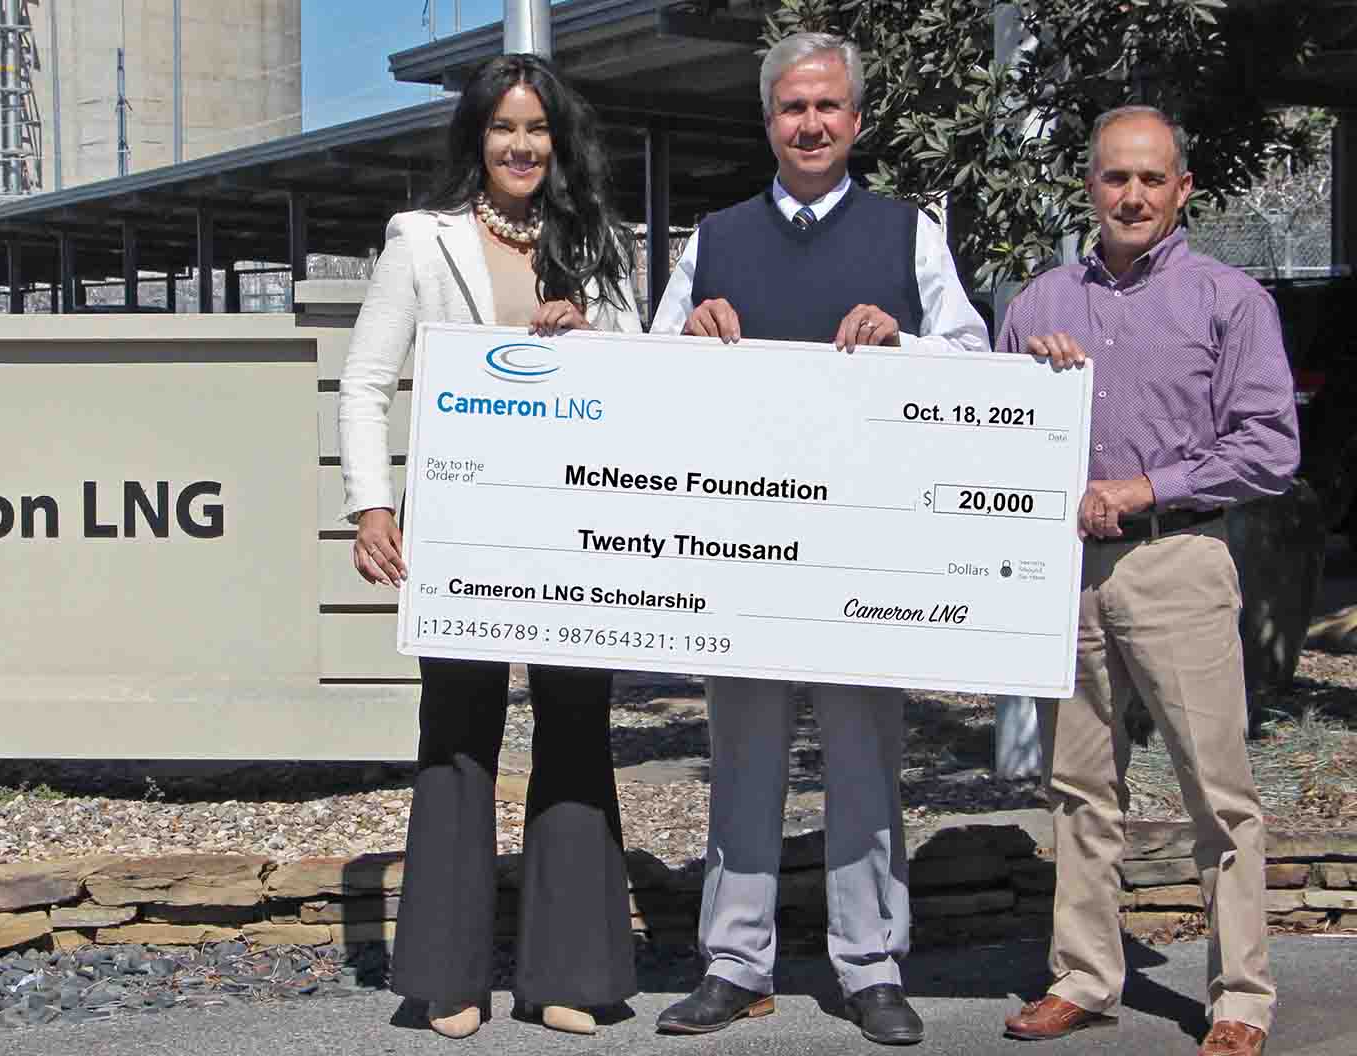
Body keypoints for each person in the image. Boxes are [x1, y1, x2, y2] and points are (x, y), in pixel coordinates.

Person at [647, 31, 989, 1047]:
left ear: (855, 119)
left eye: (828, 108)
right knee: (742, 761)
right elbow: (649, 385)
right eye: (793, 108)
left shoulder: (909, 235)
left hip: (862, 556)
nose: (810, 124)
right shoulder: (710, 241)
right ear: (768, 121)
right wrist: (687, 338)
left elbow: (975, 362)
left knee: (863, 763)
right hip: (742, 556)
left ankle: (871, 965)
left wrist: (908, 344)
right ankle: (734, 962)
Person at [336, 53, 644, 1039]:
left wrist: (584, 332)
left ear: (560, 142)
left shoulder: (602, 244)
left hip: (576, 530)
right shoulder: (421, 244)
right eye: (504, 127)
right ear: (477, 136)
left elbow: (646, 377)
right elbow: (364, 381)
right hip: (465, 531)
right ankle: (449, 977)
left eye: (538, 129)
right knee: (458, 736)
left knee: (575, 733)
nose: (521, 145)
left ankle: (569, 973)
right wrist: (371, 506)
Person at [1000, 104, 1295, 1056]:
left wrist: (1143, 487)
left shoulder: (1230, 301)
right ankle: (1084, 976)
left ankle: (1240, 997)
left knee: (1219, 795)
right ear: (1088, 185)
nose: (1131, 195)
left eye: (1150, 179)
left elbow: (1269, 448)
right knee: (1079, 787)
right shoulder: (1036, 305)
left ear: (1182, 191)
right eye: (1113, 177)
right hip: (1068, 573)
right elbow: (990, 439)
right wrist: (1029, 391)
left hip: (1179, 560)